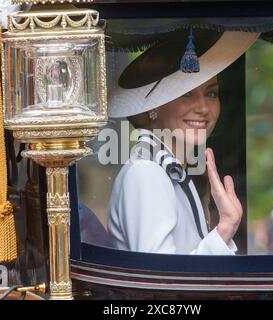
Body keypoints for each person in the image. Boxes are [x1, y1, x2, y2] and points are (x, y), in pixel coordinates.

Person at [107, 29, 259, 255]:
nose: (203, 108)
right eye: (187, 93)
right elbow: (162, 282)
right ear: (154, 107)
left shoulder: (170, 172)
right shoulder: (147, 173)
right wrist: (225, 228)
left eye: (211, 94)